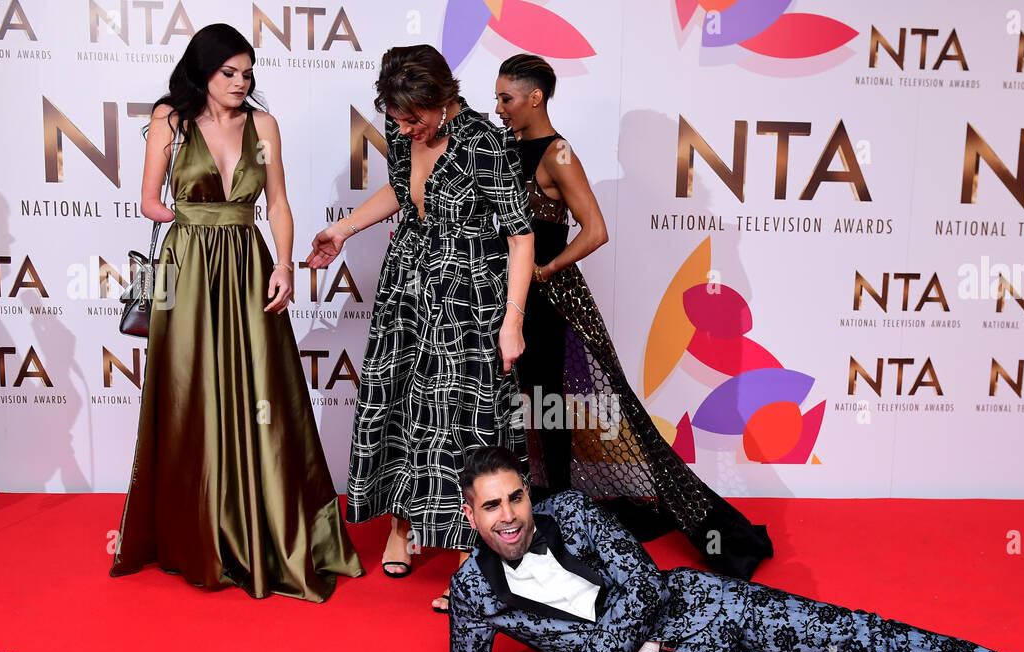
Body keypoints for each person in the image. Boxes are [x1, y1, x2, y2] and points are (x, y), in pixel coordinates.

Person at [448, 446, 1024, 652]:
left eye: (515, 498)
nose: (508, 516)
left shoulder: (567, 509)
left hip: (705, 604)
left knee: (865, 634)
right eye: (491, 507)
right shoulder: (475, 591)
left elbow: (642, 584)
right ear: (468, 513)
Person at [494, 55, 772, 580]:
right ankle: (524, 517)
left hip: (550, 305)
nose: (499, 107)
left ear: (535, 97)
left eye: (506, 97)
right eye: (497, 98)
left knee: (549, 409)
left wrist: (547, 268)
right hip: (508, 299)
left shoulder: (558, 154)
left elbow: (594, 230)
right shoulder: (502, 147)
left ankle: (556, 519)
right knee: (514, 409)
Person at [111, 23, 363, 601]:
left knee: (263, 388)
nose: (241, 83)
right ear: (204, 71)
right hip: (189, 267)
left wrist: (284, 265)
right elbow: (150, 201)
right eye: (230, 73)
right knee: (189, 390)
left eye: (248, 74)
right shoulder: (168, 121)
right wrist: (190, 222)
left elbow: (277, 201)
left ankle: (264, 526)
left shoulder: (263, 126)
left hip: (250, 262)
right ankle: (193, 532)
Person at [308, 44, 534, 613]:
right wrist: (345, 229)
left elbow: (520, 237)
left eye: (415, 119)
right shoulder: (402, 121)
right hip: (407, 287)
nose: (405, 128)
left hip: (471, 296)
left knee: (467, 421)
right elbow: (404, 190)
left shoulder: (487, 142)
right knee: (406, 409)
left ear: (444, 97)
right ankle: (403, 527)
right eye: (398, 118)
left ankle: (468, 551)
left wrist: (512, 321)